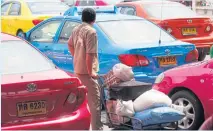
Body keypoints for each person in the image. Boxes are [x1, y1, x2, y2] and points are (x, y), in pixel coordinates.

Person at [68, 8, 103, 130]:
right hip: (87, 74)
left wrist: (77, 57)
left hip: (77, 71)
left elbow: (69, 44)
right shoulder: (91, 32)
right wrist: (91, 72)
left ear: (82, 18)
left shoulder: (76, 29)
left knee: (83, 104)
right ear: (94, 19)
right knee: (94, 104)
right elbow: (90, 54)